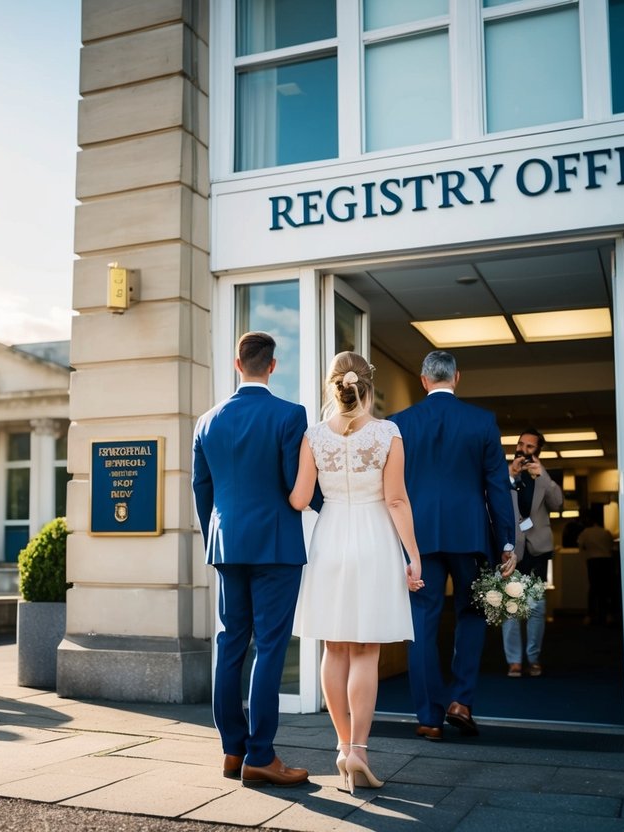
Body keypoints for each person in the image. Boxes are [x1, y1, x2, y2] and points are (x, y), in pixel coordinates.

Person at [289, 352, 423, 794]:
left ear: (334, 387)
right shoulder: (388, 433)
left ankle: (342, 746)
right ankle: (360, 751)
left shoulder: (313, 437)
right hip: (374, 541)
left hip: (330, 540)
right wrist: (414, 555)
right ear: (368, 386)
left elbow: (299, 498)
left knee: (335, 646)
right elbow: (397, 500)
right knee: (366, 650)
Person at [192, 331, 313, 787]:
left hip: (227, 544)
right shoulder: (289, 415)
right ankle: (261, 754)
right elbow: (292, 483)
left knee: (231, 643)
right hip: (276, 546)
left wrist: (215, 538)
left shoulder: (207, 421)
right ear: (273, 365)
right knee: (270, 646)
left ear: (237, 364)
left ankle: (231, 750)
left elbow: (202, 490)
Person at [388, 350, 516, 740]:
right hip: (470, 536)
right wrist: (506, 543)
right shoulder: (482, 422)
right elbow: (498, 485)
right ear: (457, 378)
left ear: (424, 380)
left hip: (419, 536)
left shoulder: (399, 424)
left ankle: (428, 717)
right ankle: (461, 700)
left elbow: (391, 488)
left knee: (422, 623)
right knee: (472, 614)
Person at [503, 428, 563, 678]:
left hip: (538, 549)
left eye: (529, 447)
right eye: (520, 444)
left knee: (536, 606)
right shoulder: (503, 473)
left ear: (538, 451)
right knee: (510, 606)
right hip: (511, 550)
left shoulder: (544, 476)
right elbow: (491, 501)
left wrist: (544, 477)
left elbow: (558, 504)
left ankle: (533, 657)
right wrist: (510, 476)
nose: (523, 450)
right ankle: (514, 660)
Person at [579, 508, 618, 625]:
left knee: (594, 588)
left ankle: (591, 615)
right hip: (607, 561)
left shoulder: (586, 532)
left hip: (593, 561)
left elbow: (581, 545)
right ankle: (607, 615)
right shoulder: (606, 532)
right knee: (607, 588)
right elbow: (611, 546)